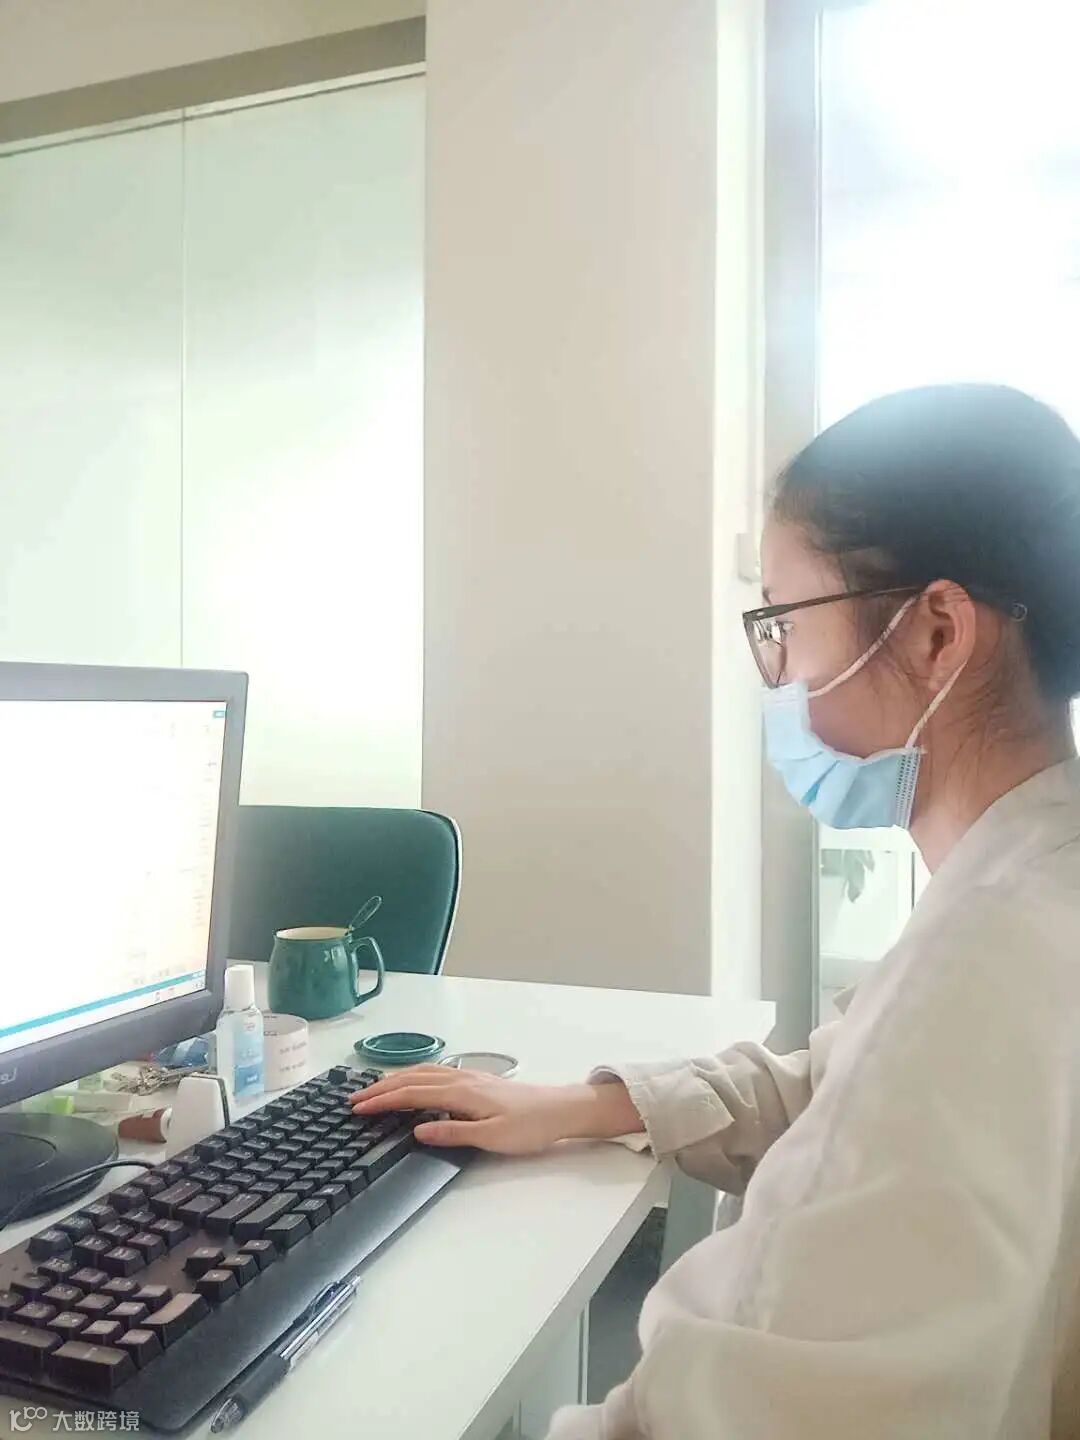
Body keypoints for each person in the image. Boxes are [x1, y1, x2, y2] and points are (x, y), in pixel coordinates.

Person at [351, 384, 1080, 1439]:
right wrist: (579, 1105)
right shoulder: (1027, 883)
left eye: (783, 624)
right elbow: (839, 1084)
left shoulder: (982, 968)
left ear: (936, 633)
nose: (776, 675)